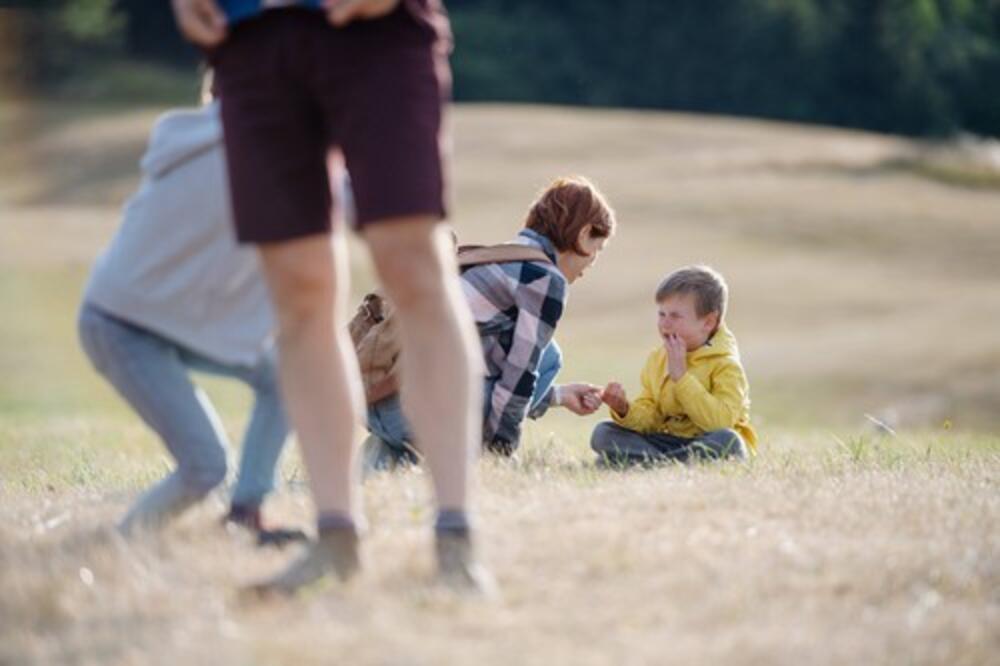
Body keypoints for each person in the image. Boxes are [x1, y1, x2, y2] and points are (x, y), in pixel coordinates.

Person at [170, 0, 488, 593]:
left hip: (376, 29)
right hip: (251, 35)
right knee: (298, 294)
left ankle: (456, 539)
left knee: (412, 264)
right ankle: (335, 539)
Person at [78, 100, 303, 546]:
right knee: (204, 467)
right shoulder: (248, 152)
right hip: (122, 325)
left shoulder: (229, 136)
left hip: (180, 319)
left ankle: (246, 512)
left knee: (286, 378)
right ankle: (119, 546)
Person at [364, 176, 615, 467]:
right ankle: (466, 461)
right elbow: (518, 377)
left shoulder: (496, 258)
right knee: (548, 358)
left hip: (379, 400)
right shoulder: (545, 279)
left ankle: (375, 466)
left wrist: (557, 396)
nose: (593, 262)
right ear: (584, 234)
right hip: (416, 412)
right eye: (598, 248)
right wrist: (501, 453)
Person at [592, 265, 757, 465]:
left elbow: (719, 422)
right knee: (603, 433)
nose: (665, 324)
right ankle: (667, 462)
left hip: (707, 441)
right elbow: (651, 420)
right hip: (667, 442)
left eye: (675, 316)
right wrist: (625, 410)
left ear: (708, 322)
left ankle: (643, 462)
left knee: (728, 441)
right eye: (662, 314)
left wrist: (682, 378)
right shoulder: (657, 359)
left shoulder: (726, 365)